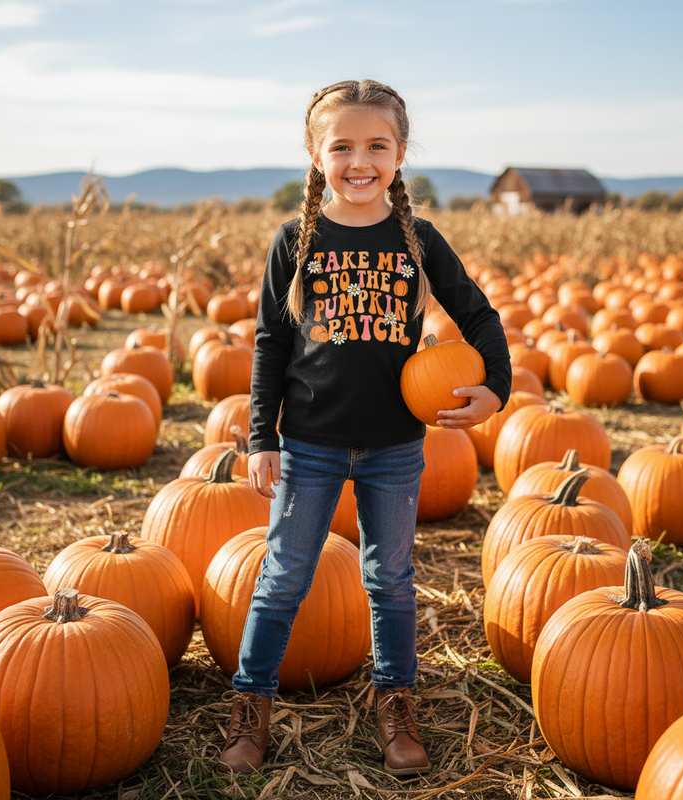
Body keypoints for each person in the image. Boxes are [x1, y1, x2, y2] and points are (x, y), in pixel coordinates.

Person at [218, 78, 511, 777]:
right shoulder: (295, 240)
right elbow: (269, 345)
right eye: (342, 145)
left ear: (400, 154)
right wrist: (262, 438)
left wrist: (494, 390)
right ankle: (249, 705)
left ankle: (395, 705)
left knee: (392, 579)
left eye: (376, 145)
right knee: (283, 577)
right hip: (310, 444)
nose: (360, 160)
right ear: (317, 156)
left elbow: (480, 317)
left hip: (394, 446)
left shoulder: (419, 241)